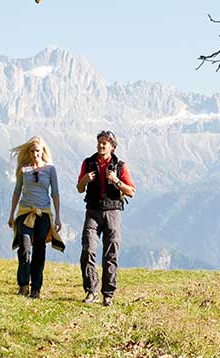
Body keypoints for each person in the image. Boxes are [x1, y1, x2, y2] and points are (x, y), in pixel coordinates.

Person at [76, 130, 136, 306]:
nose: (101, 145)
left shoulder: (120, 166)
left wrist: (116, 181)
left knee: (111, 254)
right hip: (92, 211)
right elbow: (79, 188)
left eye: (105, 143)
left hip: (112, 212)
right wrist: (85, 180)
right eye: (99, 142)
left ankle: (108, 294)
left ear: (112, 147)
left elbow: (131, 191)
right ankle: (91, 291)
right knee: (88, 249)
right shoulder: (88, 163)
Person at [8, 136, 64, 299]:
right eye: (32, 151)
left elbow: (55, 193)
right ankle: (23, 285)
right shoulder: (23, 169)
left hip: (43, 213)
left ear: (42, 151)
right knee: (25, 247)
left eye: (37, 151)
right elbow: (17, 190)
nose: (35, 154)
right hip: (25, 212)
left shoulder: (50, 169)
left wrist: (58, 217)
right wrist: (12, 214)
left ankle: (36, 288)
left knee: (39, 249)